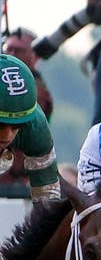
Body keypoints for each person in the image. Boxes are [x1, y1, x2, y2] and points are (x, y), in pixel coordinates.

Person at [0, 55, 60, 200]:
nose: (7, 136)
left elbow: (48, 202)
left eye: (17, 126)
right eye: (0, 125)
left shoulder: (36, 128)